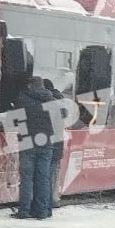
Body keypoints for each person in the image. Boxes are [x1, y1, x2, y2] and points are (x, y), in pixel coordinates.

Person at [12, 75, 54, 220]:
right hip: (46, 144)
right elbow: (62, 116)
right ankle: (41, 211)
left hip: (28, 143)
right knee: (43, 179)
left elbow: (14, 120)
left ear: (30, 85)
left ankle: (24, 210)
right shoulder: (51, 100)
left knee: (27, 179)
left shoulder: (23, 99)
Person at [43, 78, 64, 216]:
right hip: (58, 145)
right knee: (52, 175)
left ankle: (46, 203)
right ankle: (51, 202)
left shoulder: (48, 104)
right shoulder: (61, 102)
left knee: (45, 176)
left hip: (49, 145)